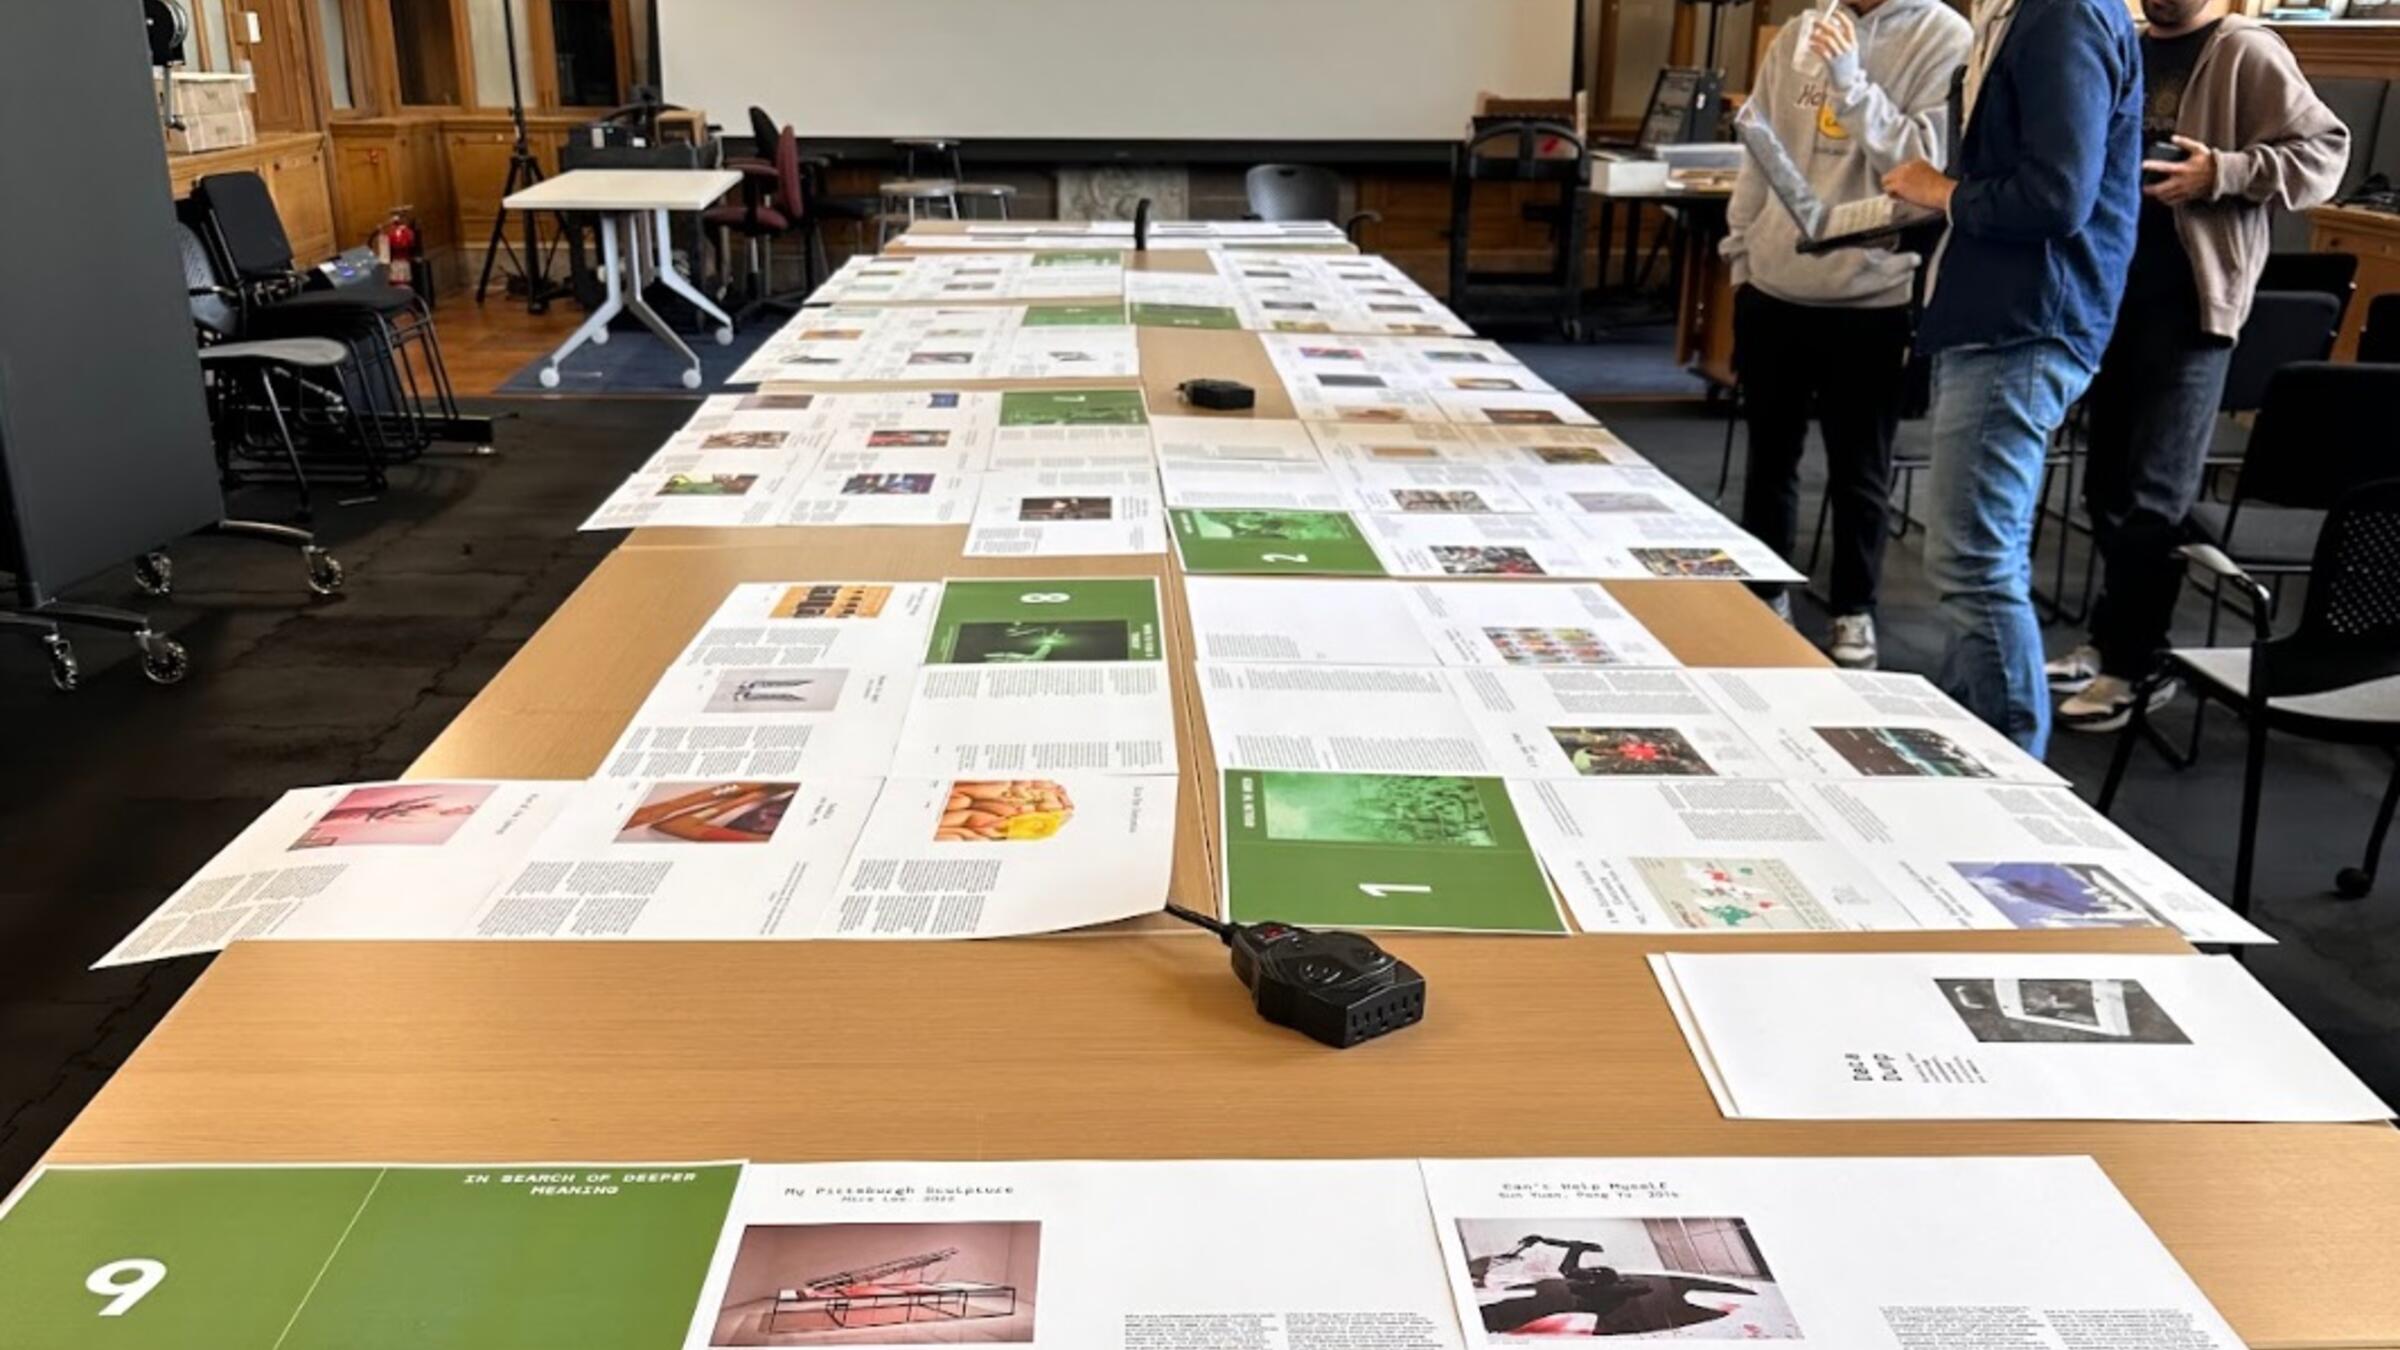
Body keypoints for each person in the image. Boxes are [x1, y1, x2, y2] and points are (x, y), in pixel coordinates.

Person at [2047, 0, 2349, 731]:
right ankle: (2108, 638)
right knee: (2108, 485)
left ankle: (2136, 664)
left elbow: (2325, 155)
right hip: (2109, 298)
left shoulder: (2246, 48)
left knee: (2158, 493)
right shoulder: (2125, 41)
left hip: (2192, 310)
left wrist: (2225, 171)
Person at [1881, 0, 2145, 755]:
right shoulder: (2019, 17)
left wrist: (1942, 192)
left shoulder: (2062, 15)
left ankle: (2010, 774)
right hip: (2003, 315)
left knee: (1972, 558)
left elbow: (2058, 197)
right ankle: (1975, 745)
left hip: (2026, 319)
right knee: (1973, 558)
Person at [1722, 0, 1970, 669]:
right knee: (1770, 458)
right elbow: (1760, 148)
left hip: (1872, 292)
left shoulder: (1944, 37)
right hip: (1774, 284)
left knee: (1860, 467)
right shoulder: (1804, 28)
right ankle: (1767, 591)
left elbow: (1927, 163)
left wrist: (1853, 83)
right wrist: (1740, 253)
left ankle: (1854, 609)